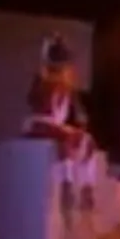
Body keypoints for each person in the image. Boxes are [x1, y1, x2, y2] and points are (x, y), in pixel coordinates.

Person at [24, 34, 96, 225]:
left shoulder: (67, 85)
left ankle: (87, 188)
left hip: (56, 126)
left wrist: (80, 118)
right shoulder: (43, 80)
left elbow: (77, 113)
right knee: (66, 139)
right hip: (39, 123)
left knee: (86, 141)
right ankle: (67, 185)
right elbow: (36, 105)